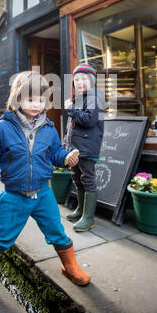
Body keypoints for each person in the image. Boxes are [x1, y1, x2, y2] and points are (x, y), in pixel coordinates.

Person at [0, 71, 90, 304]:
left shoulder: (48, 128)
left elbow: (54, 153)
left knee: (57, 231)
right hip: (14, 196)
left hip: (43, 193)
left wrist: (66, 157)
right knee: (0, 237)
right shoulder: (3, 127)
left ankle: (70, 267)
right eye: (30, 99)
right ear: (17, 99)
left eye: (41, 100)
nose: (37, 105)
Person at [64, 63, 104, 232]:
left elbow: (89, 120)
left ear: (93, 81)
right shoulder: (79, 99)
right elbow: (72, 127)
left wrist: (71, 109)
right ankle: (81, 210)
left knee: (88, 180)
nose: (79, 82)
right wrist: (66, 145)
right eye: (76, 79)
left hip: (87, 149)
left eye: (84, 79)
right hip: (77, 148)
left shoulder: (95, 98)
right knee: (77, 177)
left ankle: (88, 218)